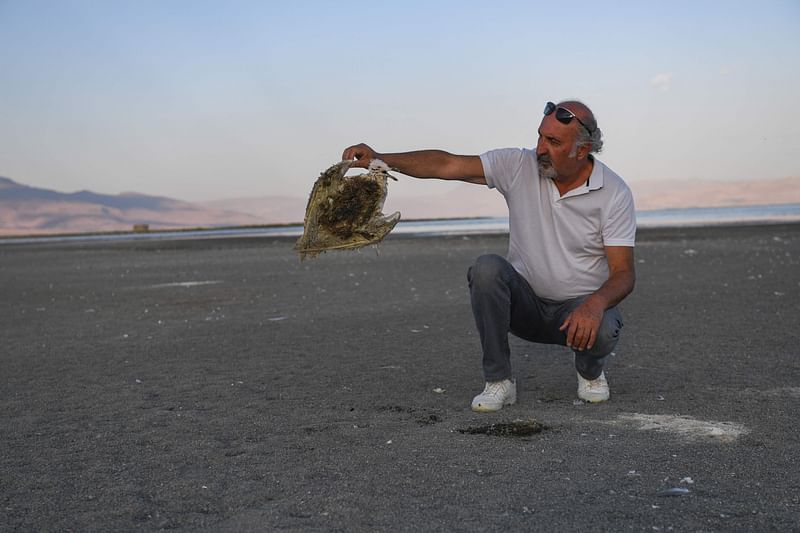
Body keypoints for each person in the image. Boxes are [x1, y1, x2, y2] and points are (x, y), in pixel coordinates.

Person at [342, 100, 636, 412]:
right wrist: (379, 158)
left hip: (577, 317)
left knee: (605, 323)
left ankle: (589, 374)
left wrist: (593, 305)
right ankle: (499, 382)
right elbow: (448, 165)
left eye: (553, 142)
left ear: (582, 149)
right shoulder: (518, 165)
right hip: (525, 308)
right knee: (486, 269)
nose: (539, 149)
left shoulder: (614, 192)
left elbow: (623, 274)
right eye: (540, 137)